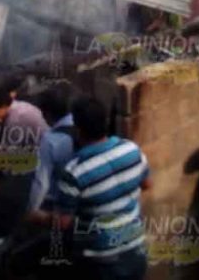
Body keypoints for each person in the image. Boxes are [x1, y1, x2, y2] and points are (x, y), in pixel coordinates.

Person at [52, 98, 150, 280]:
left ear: (78, 129)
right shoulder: (131, 150)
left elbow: (62, 223)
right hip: (135, 248)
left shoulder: (74, 171)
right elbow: (146, 184)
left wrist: (34, 216)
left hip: (101, 260)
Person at [26, 83, 78, 215]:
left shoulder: (50, 141)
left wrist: (31, 212)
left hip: (61, 205)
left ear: (47, 113)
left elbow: (41, 184)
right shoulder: (82, 126)